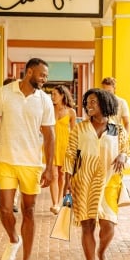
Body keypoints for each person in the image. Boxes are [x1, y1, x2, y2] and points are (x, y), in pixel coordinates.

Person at [0, 58, 55, 260]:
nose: (44, 79)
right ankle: (13, 239)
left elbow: (50, 136)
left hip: (31, 163)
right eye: (42, 74)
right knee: (4, 209)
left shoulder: (44, 100)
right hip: (6, 160)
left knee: (29, 211)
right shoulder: (4, 93)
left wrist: (49, 168)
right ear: (29, 72)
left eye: (46, 76)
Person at [63, 88, 130, 260]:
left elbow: (128, 153)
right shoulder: (80, 128)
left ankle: (101, 252)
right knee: (88, 226)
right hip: (84, 182)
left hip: (110, 183)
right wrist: (67, 180)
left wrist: (123, 155)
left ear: (105, 103)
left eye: (93, 102)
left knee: (108, 226)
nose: (88, 105)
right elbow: (70, 154)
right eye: (87, 102)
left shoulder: (116, 129)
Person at [0, 77, 20, 213]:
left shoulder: (19, 105)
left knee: (15, 173)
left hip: (16, 145)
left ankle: (12, 202)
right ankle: (0, 201)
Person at [49, 85, 76, 215]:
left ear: (62, 95)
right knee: (53, 175)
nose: (52, 96)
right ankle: (55, 203)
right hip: (51, 146)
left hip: (65, 146)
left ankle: (59, 202)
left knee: (61, 176)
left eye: (55, 94)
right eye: (52, 94)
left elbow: (74, 132)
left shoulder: (71, 112)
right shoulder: (49, 109)